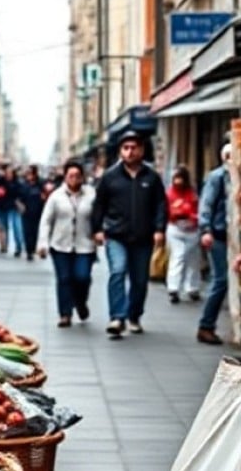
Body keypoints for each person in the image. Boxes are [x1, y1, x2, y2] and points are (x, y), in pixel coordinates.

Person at [91, 130, 168, 338]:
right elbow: (99, 205)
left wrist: (160, 229)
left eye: (134, 147)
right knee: (118, 270)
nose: (130, 151)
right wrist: (97, 229)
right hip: (116, 235)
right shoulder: (110, 177)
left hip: (143, 237)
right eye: (126, 148)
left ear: (142, 150)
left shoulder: (151, 178)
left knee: (140, 280)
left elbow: (160, 205)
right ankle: (117, 317)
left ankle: (134, 316)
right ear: (120, 152)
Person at [37, 160, 97, 327]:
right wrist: (42, 244)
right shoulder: (56, 196)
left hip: (85, 244)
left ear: (83, 177)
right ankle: (65, 314)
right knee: (64, 279)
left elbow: (99, 215)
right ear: (65, 177)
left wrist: (100, 232)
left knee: (82, 277)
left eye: (78, 176)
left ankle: (80, 303)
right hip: (60, 245)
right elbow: (46, 221)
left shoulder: (91, 194)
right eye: (71, 176)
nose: (74, 179)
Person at [196, 144, 232, 345]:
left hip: (230, 237)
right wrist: (206, 230)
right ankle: (206, 326)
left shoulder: (235, 177)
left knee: (224, 280)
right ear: (226, 156)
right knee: (221, 280)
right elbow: (206, 204)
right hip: (217, 235)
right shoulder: (217, 177)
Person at [164, 165, 201, 304]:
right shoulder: (169, 194)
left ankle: (192, 287)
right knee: (178, 256)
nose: (178, 181)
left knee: (193, 259)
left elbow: (196, 209)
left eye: (180, 178)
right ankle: (173, 288)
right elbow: (167, 210)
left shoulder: (192, 193)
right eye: (176, 178)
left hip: (192, 229)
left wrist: (191, 215)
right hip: (175, 229)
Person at [0, 165, 25, 256]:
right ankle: (4, 246)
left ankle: (18, 247)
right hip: (2, 207)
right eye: (7, 173)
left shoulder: (17, 183)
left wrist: (19, 201)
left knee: (16, 227)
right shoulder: (0, 181)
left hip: (14, 207)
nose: (8, 175)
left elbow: (20, 193)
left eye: (10, 173)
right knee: (3, 228)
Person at [18, 164, 46, 261]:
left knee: (36, 232)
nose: (29, 175)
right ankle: (29, 251)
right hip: (26, 212)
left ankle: (34, 248)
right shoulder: (23, 184)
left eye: (30, 173)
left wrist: (44, 198)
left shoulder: (40, 184)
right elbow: (18, 197)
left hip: (38, 212)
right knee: (27, 232)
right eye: (27, 173)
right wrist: (20, 206)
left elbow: (45, 195)